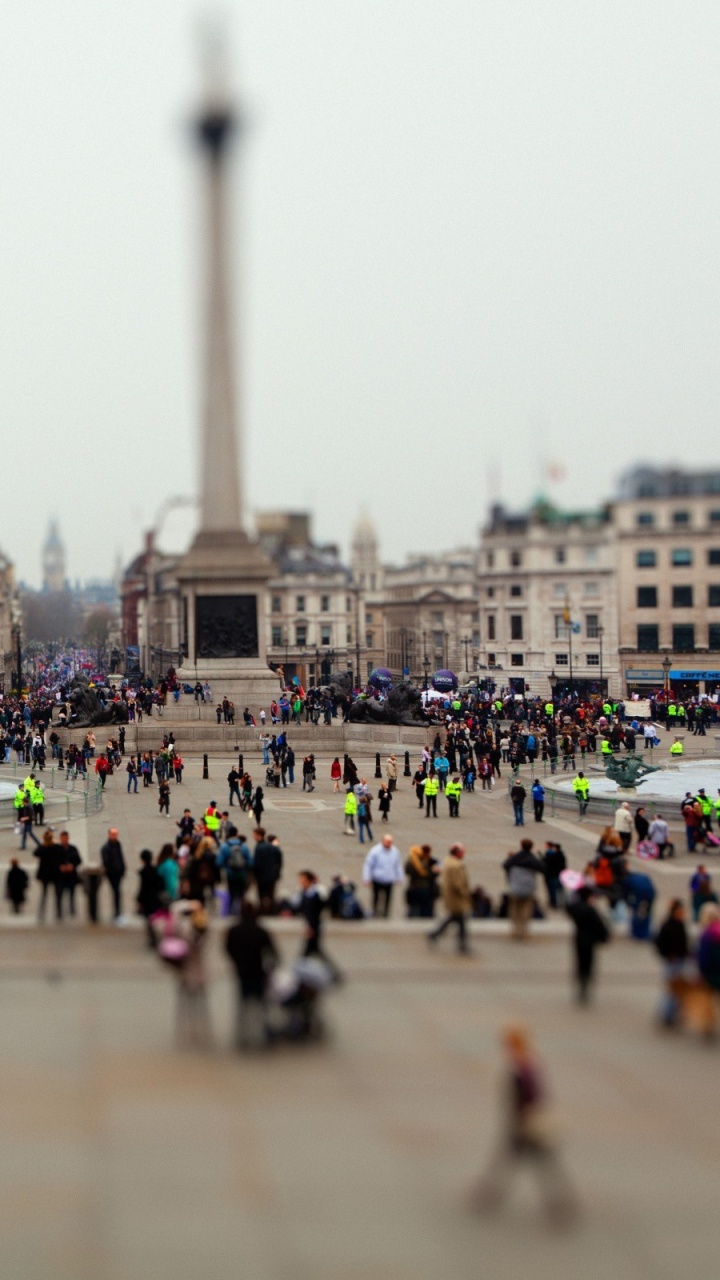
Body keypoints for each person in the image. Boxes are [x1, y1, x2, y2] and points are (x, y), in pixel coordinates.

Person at [472, 1026, 578, 1224]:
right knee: (540, 1166)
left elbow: (528, 1098)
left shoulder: (522, 1069)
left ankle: (490, 1196)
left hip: (526, 1128)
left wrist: (521, 1121)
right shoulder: (528, 1064)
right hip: (527, 1126)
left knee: (532, 1166)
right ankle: (559, 1205)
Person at [225, 900, 278, 1048]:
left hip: (242, 972)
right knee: (262, 1005)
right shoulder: (260, 931)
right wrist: (270, 968)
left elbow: (228, 948)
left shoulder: (234, 931)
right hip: (258, 971)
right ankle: (265, 1033)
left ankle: (242, 1035)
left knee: (243, 1005)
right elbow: (273, 952)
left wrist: (236, 961)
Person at [565, 886, 610, 1002]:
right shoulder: (591, 910)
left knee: (580, 962)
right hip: (590, 940)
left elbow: (568, 907)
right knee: (588, 963)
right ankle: (585, 983)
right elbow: (599, 926)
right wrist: (604, 937)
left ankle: (581, 982)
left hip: (579, 939)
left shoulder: (575, 908)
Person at [427, 843, 472, 953]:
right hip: (456, 897)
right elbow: (458, 884)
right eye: (463, 852)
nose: (464, 854)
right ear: (458, 853)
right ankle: (462, 945)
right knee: (459, 919)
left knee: (455, 918)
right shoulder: (455, 865)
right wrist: (465, 893)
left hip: (450, 895)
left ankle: (435, 935)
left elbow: (436, 869)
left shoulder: (447, 861)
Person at [654, 898, 689, 1027]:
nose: (683, 913)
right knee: (671, 990)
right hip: (673, 961)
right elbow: (659, 943)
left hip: (679, 960)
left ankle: (671, 1014)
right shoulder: (669, 926)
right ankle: (667, 1015)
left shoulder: (679, 924)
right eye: (681, 911)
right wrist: (668, 955)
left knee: (676, 990)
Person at [503, 840, 544, 940]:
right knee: (525, 910)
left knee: (514, 909)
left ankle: (515, 931)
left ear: (521, 846)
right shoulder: (532, 859)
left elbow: (505, 865)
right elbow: (542, 868)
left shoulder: (516, 858)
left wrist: (510, 876)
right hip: (528, 887)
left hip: (515, 887)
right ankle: (523, 931)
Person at [362, 833, 404, 918]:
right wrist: (366, 878)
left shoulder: (395, 851)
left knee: (388, 898)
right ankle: (375, 911)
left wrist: (400, 877)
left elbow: (397, 865)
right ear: (383, 841)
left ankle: (386, 914)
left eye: (390, 842)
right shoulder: (375, 851)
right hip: (377, 878)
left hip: (389, 879)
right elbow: (368, 864)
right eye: (387, 842)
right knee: (376, 897)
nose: (388, 844)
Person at [136, 849, 165, 947]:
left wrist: (139, 900)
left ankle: (152, 939)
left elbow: (142, 888)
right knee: (155, 919)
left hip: (147, 900)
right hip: (155, 898)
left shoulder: (143, 872)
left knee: (149, 920)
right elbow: (161, 884)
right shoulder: (155, 870)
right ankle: (156, 937)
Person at [252, 828, 283, 912]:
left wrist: (254, 875)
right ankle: (271, 909)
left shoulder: (259, 847)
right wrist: (277, 872)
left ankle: (262, 909)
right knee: (270, 893)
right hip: (272, 875)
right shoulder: (273, 847)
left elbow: (257, 863)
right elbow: (279, 861)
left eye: (254, 835)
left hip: (261, 875)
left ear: (258, 835)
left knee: (261, 893)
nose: (253, 836)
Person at [404, 844, 439, 918]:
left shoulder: (411, 863)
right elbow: (433, 874)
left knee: (414, 909)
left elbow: (407, 871)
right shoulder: (427, 862)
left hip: (415, 888)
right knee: (425, 910)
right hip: (424, 888)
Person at [100, 827, 126, 923]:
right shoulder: (106, 848)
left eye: (116, 834)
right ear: (109, 835)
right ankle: (117, 912)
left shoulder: (117, 844)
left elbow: (120, 857)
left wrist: (123, 868)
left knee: (117, 892)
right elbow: (106, 862)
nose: (115, 836)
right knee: (116, 892)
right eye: (113, 834)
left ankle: (117, 912)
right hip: (112, 874)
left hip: (118, 872)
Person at [34, 830, 60, 923]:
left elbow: (35, 853)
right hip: (54, 873)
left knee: (44, 894)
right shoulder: (55, 847)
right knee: (57, 894)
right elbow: (60, 852)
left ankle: (42, 913)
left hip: (45, 874)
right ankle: (58, 913)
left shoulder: (43, 848)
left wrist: (43, 844)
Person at [56, 830, 82, 918]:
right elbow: (53, 861)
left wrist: (72, 865)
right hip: (60, 876)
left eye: (65, 838)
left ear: (68, 838)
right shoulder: (57, 849)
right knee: (59, 895)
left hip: (71, 876)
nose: (64, 840)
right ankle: (59, 911)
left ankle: (72, 910)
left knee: (72, 894)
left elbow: (79, 860)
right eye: (62, 838)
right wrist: (60, 866)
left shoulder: (73, 849)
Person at [542, 842, 566, 910]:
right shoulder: (562, 856)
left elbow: (547, 864)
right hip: (560, 875)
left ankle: (554, 902)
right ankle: (561, 902)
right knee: (560, 890)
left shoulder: (552, 856)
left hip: (552, 875)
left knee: (553, 890)